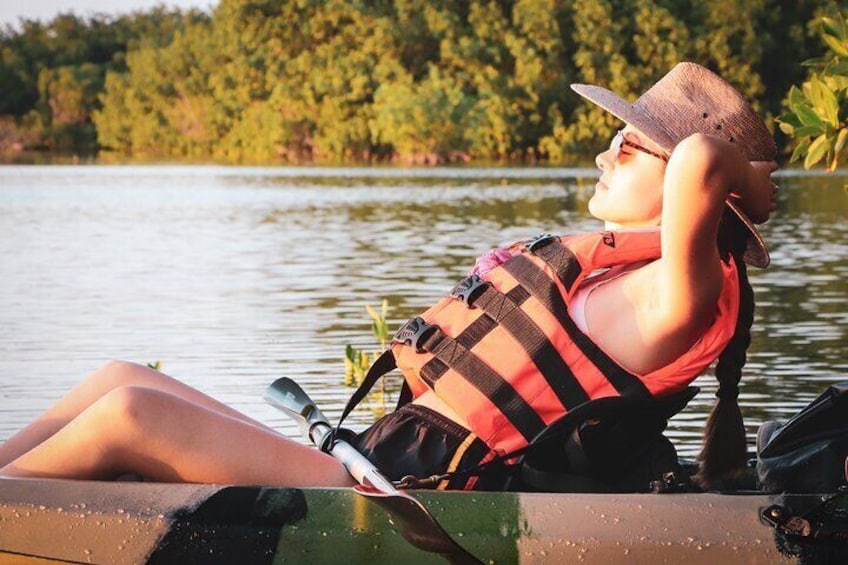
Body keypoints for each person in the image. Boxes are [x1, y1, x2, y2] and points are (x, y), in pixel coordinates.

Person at [0, 62, 779, 491]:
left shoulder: (678, 295)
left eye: (631, 146)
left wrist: (743, 180)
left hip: (410, 496)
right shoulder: (614, 273)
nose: (607, 154)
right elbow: (697, 166)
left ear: (693, 187)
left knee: (132, 414)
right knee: (119, 376)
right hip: (370, 459)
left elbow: (705, 159)